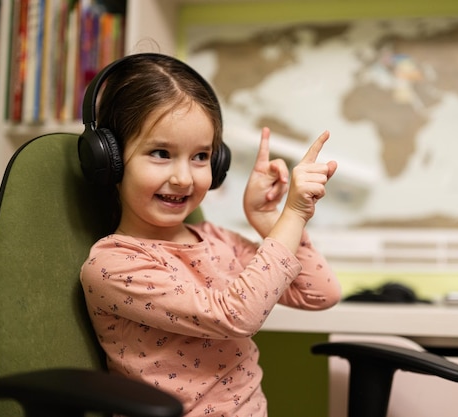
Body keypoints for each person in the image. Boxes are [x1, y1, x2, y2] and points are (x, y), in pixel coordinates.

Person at [79, 53, 341, 417]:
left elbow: (319, 292)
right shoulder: (114, 264)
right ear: (111, 160)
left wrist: (267, 219)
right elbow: (236, 315)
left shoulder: (217, 239)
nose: (184, 178)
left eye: (201, 157)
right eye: (160, 153)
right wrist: (293, 213)